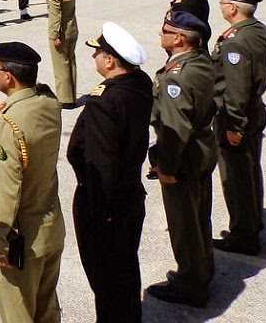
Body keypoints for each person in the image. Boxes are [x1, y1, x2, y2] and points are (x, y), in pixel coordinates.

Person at [69, 23, 153, 323]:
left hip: (107, 204)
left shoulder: (104, 100)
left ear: (110, 61)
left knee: (106, 279)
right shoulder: (140, 82)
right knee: (125, 269)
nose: (94, 57)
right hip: (130, 195)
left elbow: (101, 163)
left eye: (97, 53)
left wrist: (99, 209)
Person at [0, 41, 64, 323]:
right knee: (46, 310)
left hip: (22, 240)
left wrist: (0, 243)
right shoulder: (48, 104)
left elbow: (7, 191)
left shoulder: (10, 122)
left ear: (9, 77)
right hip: (51, 228)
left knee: (18, 314)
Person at [147, 10, 217, 308]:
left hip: (184, 157)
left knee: (184, 222)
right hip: (203, 148)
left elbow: (175, 127)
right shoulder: (201, 61)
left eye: (165, 29)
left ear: (179, 39)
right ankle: (202, 271)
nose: (160, 33)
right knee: (200, 216)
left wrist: (167, 167)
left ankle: (190, 286)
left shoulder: (177, 76)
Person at [211, 0, 266, 256]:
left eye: (223, 2)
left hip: (237, 115)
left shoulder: (235, 41)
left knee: (237, 179)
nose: (221, 6)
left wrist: (234, 124)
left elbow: (236, 88)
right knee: (248, 173)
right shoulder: (257, 30)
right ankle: (249, 225)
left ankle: (244, 235)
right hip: (255, 109)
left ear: (233, 8)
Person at [47, 0, 86, 109]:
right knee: (71, 62)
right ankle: (72, 96)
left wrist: (54, 35)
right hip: (72, 28)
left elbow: (56, 15)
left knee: (61, 65)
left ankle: (65, 99)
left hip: (61, 31)